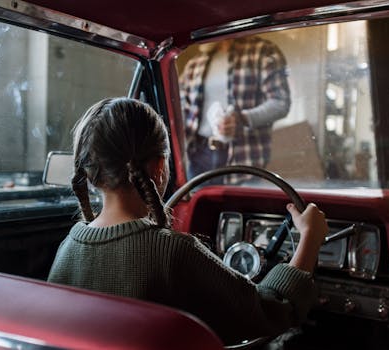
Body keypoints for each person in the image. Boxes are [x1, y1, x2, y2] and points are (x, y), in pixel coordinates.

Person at [47, 97, 328, 345]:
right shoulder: (174, 252)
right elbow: (272, 311)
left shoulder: (67, 247)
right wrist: (310, 239)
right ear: (158, 168)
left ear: (92, 174)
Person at [180, 36, 291, 185]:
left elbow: (280, 102)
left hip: (244, 157)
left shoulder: (262, 51)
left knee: (240, 207)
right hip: (199, 155)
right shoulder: (196, 63)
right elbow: (180, 107)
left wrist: (243, 119)